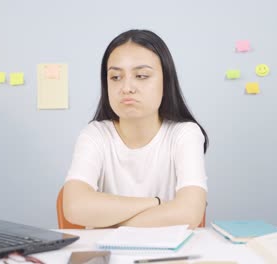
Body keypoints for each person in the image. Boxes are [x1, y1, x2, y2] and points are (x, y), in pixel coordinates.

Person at [63, 29, 209, 229]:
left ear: (166, 81)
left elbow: (189, 213)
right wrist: (155, 203)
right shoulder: (95, 135)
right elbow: (75, 207)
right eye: (115, 77)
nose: (126, 87)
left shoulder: (185, 134)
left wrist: (107, 222)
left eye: (141, 75)